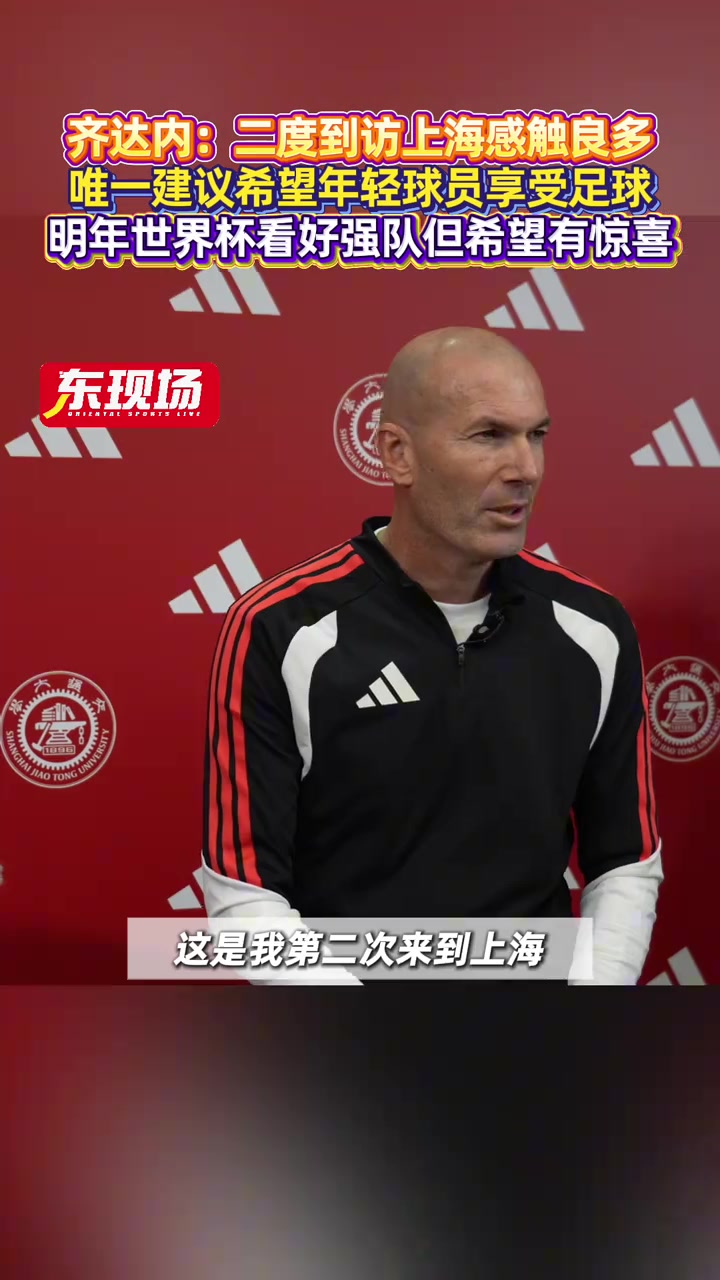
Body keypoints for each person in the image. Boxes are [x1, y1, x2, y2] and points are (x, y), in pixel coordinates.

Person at [202, 327, 663, 984]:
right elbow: (244, 891)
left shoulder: (594, 628)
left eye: (536, 435)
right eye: (490, 435)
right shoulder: (282, 627)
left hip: (537, 1024)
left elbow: (626, 862)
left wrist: (585, 1013)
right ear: (399, 454)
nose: (526, 469)